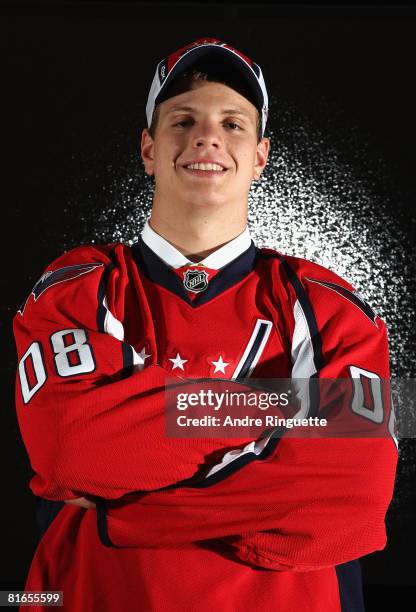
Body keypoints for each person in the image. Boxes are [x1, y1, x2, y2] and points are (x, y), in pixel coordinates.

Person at [13, 38, 397, 611]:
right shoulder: (78, 286)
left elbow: (353, 493)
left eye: (233, 123)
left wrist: (126, 502)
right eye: (183, 120)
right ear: (147, 149)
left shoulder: (329, 306)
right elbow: (72, 450)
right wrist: (282, 407)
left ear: (262, 155)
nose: (206, 137)